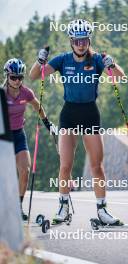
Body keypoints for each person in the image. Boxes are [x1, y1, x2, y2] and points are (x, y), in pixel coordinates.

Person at [29, 19, 125, 226]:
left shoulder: (98, 59)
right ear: (71, 41)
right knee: (65, 166)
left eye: (84, 40)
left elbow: (120, 76)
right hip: (69, 114)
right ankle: (63, 208)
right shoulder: (63, 60)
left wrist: (112, 64)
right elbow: (35, 76)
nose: (81, 44)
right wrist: (40, 60)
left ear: (89, 40)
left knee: (96, 166)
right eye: (77, 40)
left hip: (90, 113)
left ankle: (102, 210)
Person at [3, 58, 52, 220]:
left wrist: (47, 124)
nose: (17, 81)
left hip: (18, 134)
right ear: (7, 76)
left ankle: (17, 208)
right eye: (13, 77)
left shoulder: (26, 93)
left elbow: (38, 106)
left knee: (25, 170)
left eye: (20, 77)